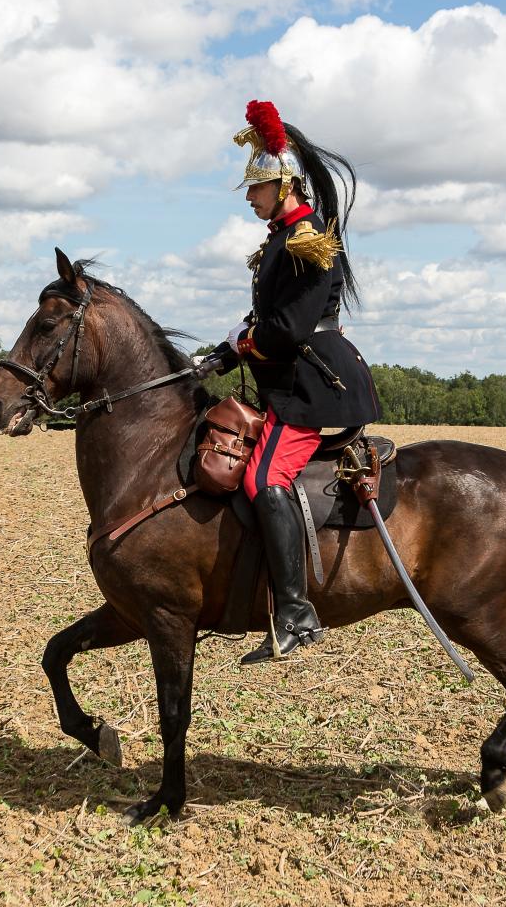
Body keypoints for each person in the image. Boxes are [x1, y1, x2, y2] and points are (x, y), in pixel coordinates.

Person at [200, 100, 381, 664]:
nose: (249, 199)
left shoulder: (305, 239)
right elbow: (267, 321)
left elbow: (288, 328)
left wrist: (241, 346)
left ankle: (297, 614)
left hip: (313, 384)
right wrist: (222, 354)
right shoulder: (283, 236)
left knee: (264, 478)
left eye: (255, 191)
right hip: (292, 376)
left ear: (282, 187)